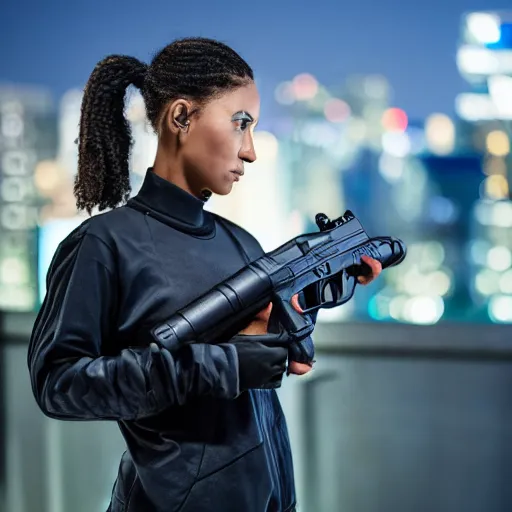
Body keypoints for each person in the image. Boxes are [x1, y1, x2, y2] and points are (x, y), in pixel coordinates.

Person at [27, 37, 382, 512]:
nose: (251, 151)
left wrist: (314, 299)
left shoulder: (242, 244)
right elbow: (59, 384)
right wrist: (223, 366)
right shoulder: (103, 245)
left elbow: (282, 357)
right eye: (240, 124)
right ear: (181, 118)